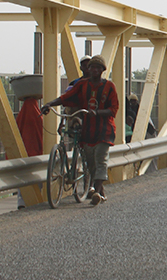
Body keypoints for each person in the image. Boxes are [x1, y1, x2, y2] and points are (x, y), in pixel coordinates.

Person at [41, 54, 119, 206]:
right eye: (92, 67)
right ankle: (99, 191)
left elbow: (113, 109)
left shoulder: (109, 87)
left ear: (102, 70)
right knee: (90, 163)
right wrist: (50, 104)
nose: (94, 70)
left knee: (101, 159)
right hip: (87, 130)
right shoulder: (81, 85)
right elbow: (66, 97)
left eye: (97, 67)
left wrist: (97, 112)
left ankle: (96, 192)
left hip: (104, 130)